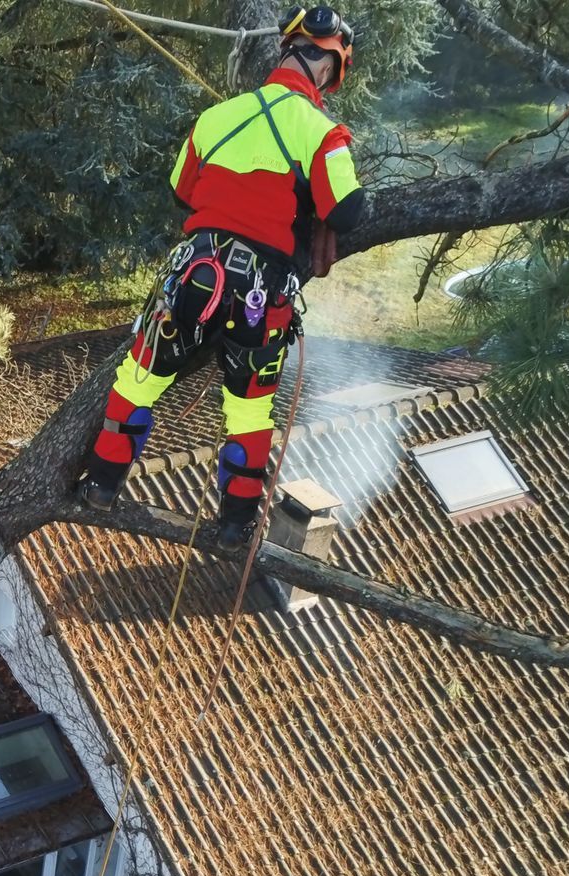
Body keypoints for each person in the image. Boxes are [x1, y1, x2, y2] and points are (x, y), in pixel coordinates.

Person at [77, 6, 366, 559]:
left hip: (191, 274)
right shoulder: (324, 133)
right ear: (329, 65)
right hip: (260, 292)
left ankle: (102, 486)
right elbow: (350, 211)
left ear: (286, 50)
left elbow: (181, 191)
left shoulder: (216, 117)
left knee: (138, 381)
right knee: (249, 411)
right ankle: (234, 525)